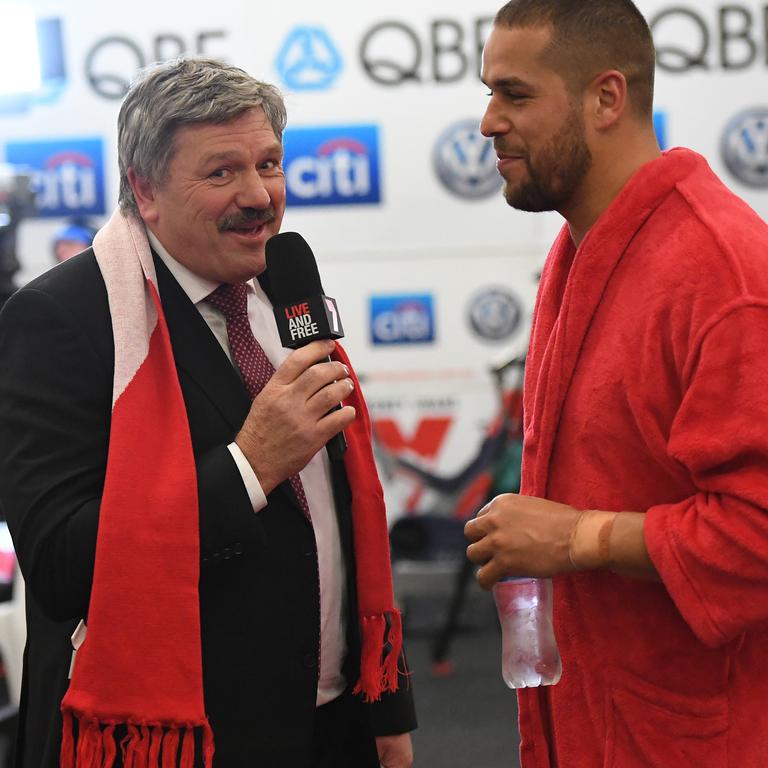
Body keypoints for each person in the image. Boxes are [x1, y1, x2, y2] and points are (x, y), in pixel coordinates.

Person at [0, 58, 415, 768]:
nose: (259, 195)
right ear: (144, 189)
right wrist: (247, 467)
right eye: (221, 172)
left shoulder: (282, 288)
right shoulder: (61, 319)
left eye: (269, 163)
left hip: (331, 724)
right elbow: (63, 563)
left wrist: (384, 709)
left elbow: (340, 518)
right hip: (177, 739)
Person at [463, 1, 768, 766]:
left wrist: (574, 538)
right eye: (489, 93)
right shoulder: (582, 251)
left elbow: (758, 530)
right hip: (590, 722)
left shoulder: (722, 274)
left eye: (516, 94)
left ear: (607, 99)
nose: (488, 121)